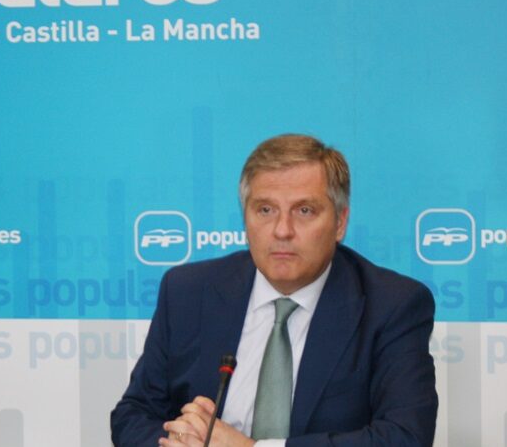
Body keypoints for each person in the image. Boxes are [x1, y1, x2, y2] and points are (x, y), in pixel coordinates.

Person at [111, 134, 437, 446]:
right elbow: (134, 415)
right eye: (265, 210)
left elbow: (405, 436)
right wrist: (179, 442)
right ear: (245, 218)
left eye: (304, 210)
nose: (282, 230)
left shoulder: (392, 306)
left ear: (340, 222)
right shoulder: (188, 292)